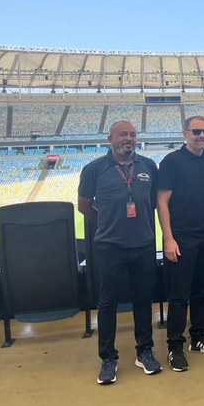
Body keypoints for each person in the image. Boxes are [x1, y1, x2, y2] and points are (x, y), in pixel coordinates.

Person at [78, 120, 162, 385]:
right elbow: (84, 206)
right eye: (123, 134)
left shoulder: (148, 166)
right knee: (107, 303)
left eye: (133, 134)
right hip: (110, 247)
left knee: (143, 300)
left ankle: (145, 351)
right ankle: (108, 357)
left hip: (144, 244)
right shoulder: (93, 169)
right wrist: (107, 225)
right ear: (110, 139)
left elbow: (153, 203)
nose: (129, 138)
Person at [157, 115, 204, 373]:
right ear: (185, 133)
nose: (202, 136)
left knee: (201, 291)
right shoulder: (172, 161)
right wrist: (168, 238)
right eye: (197, 131)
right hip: (182, 238)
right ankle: (175, 345)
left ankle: (198, 337)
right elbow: (161, 201)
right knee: (179, 295)